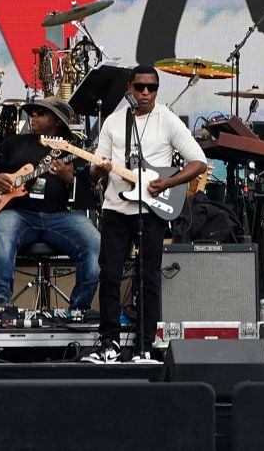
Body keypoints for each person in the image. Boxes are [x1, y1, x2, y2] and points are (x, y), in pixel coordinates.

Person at [84, 65, 208, 364]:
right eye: (140, 87)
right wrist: (97, 170)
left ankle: (145, 345)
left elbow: (199, 162)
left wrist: (167, 182)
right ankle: (109, 342)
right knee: (110, 274)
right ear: (129, 87)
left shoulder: (166, 119)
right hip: (116, 208)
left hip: (150, 211)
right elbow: (95, 171)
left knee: (148, 277)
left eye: (152, 88)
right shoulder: (113, 122)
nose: (145, 93)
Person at [0, 97, 101, 314]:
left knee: (93, 239)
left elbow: (89, 195)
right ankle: (1, 299)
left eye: (41, 113)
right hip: (19, 213)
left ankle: (79, 308)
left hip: (59, 217)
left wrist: (71, 178)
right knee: (3, 228)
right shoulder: (15, 142)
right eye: (33, 113)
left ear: (58, 122)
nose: (33, 117)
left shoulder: (73, 151)